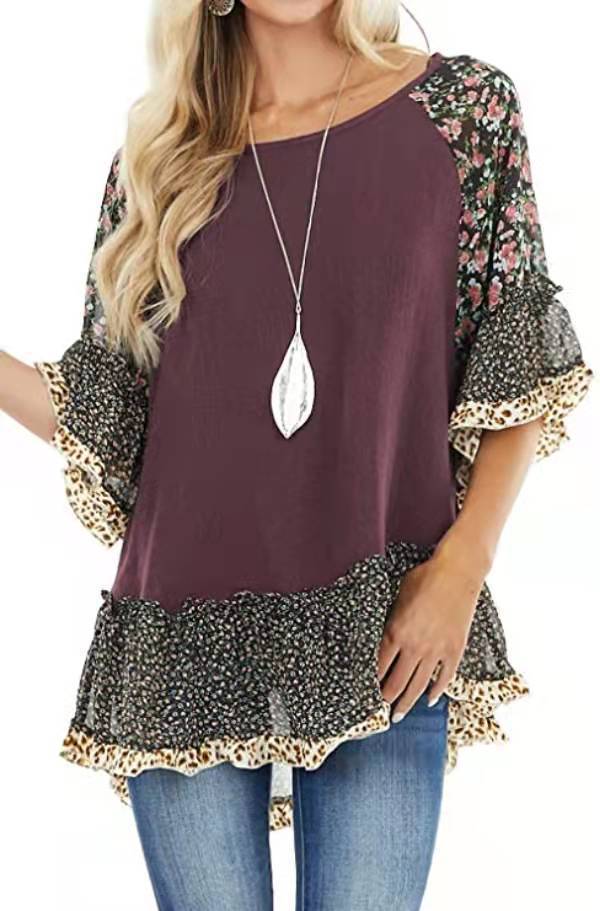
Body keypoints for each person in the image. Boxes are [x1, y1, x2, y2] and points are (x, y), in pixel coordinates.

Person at [0, 1, 594, 909]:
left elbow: (513, 357)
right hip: (182, 637)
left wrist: (462, 566)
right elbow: (114, 421)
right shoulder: (160, 164)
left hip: (384, 623)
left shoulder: (462, 113)